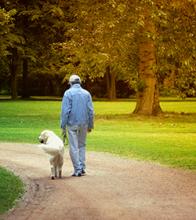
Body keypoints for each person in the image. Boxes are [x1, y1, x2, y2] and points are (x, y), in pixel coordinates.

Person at [61, 74, 94, 177]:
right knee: (82, 145)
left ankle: (77, 169)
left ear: (70, 83)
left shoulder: (68, 93)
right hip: (84, 123)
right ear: (80, 82)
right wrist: (90, 125)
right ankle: (82, 168)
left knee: (74, 147)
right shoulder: (86, 93)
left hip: (72, 124)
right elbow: (91, 111)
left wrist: (63, 125)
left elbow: (65, 111)